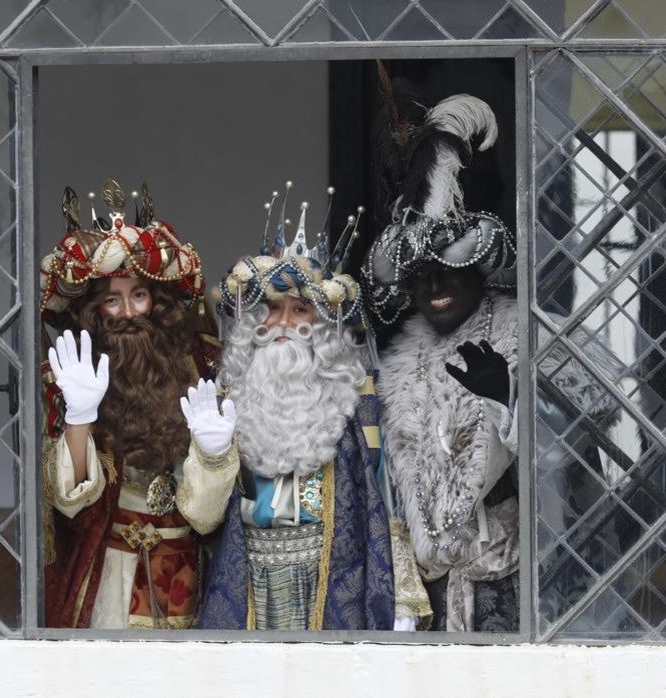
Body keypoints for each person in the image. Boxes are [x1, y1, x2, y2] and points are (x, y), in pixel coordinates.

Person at [364, 94, 618, 631]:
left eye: (448, 270)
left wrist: (510, 405)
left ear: (480, 271)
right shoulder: (397, 371)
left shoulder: (526, 342)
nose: (434, 286)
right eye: (421, 275)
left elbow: (571, 467)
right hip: (430, 602)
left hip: (516, 594)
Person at [194, 184, 398, 630]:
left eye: (300, 309)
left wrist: (403, 597)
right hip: (248, 589)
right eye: (271, 308)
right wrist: (212, 456)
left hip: (329, 590)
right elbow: (201, 520)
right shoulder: (225, 402)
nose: (283, 324)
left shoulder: (356, 404)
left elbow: (385, 505)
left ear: (323, 324)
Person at [39, 180, 231, 629]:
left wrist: (213, 454)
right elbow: (69, 504)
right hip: (108, 575)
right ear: (93, 311)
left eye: (138, 295)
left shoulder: (199, 365)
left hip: (184, 572)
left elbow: (206, 519)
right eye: (112, 300)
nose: (128, 312)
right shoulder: (68, 377)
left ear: (157, 302)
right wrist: (80, 417)